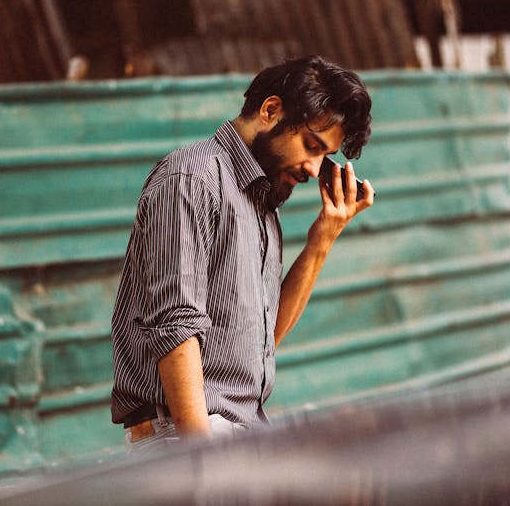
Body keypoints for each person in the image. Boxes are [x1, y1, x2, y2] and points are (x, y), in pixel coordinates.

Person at [110, 55, 374, 449]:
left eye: (325, 156)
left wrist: (323, 238)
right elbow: (175, 328)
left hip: (238, 435)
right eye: (311, 146)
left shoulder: (259, 204)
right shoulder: (191, 179)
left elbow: (264, 340)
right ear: (271, 110)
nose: (315, 169)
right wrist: (205, 459)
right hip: (188, 438)